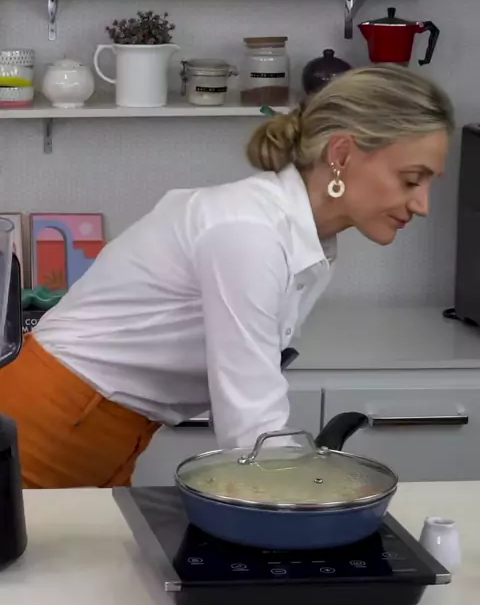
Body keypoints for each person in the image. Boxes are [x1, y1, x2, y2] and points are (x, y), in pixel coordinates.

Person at [0, 65, 454, 489]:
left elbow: (250, 403)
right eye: (411, 179)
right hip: (47, 423)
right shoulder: (248, 232)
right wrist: (317, 494)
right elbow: (251, 424)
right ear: (341, 154)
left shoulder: (307, 241)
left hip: (104, 431)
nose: (423, 205)